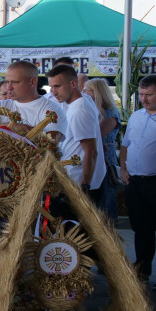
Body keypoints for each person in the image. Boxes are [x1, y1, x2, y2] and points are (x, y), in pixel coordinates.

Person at [120, 75, 156, 292]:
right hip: (135, 183)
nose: (144, 99)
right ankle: (141, 271)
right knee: (141, 230)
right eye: (141, 94)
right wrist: (123, 168)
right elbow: (126, 145)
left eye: (148, 94)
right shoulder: (136, 116)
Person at [46, 64, 105, 209]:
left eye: (58, 86)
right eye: (51, 87)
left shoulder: (80, 109)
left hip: (78, 185)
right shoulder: (77, 103)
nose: (54, 92)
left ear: (73, 83)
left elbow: (91, 152)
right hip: (71, 181)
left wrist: (84, 186)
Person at [0, 60, 66, 143]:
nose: (9, 87)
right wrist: (12, 126)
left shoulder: (52, 110)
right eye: (8, 82)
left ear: (32, 82)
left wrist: (8, 128)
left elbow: (51, 141)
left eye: (15, 82)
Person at [83, 78, 121, 223]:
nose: (83, 93)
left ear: (96, 92)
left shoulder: (110, 113)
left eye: (87, 90)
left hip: (105, 162)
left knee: (105, 201)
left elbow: (96, 134)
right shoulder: (92, 110)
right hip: (93, 159)